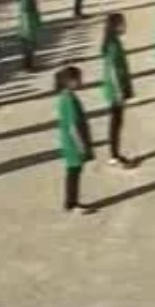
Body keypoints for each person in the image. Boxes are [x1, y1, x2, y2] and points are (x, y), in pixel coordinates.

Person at [54, 65, 96, 214]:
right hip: (73, 143)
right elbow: (73, 126)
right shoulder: (69, 99)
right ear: (70, 81)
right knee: (74, 173)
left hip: (69, 142)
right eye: (78, 78)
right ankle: (71, 203)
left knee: (73, 172)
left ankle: (71, 202)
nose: (81, 81)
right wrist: (82, 146)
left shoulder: (65, 97)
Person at [99, 13, 136, 169]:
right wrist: (119, 91)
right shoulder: (113, 45)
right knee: (116, 123)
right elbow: (113, 70)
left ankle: (114, 153)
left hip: (114, 89)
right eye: (122, 24)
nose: (124, 26)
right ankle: (114, 155)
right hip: (115, 90)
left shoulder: (113, 42)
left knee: (116, 123)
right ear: (115, 26)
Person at [16, 0, 42, 71]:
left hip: (29, 25)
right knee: (29, 46)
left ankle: (28, 65)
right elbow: (26, 15)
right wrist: (30, 29)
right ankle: (28, 66)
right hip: (28, 26)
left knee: (29, 47)